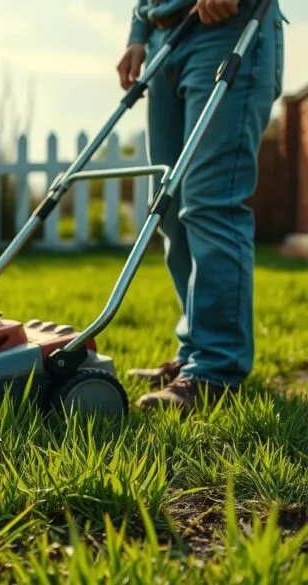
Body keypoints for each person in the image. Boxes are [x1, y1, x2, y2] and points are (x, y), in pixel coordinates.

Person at [116, 0, 286, 412]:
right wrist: (138, 34)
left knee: (210, 203)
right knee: (171, 212)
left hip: (227, 28)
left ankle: (216, 368)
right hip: (165, 37)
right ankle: (195, 351)